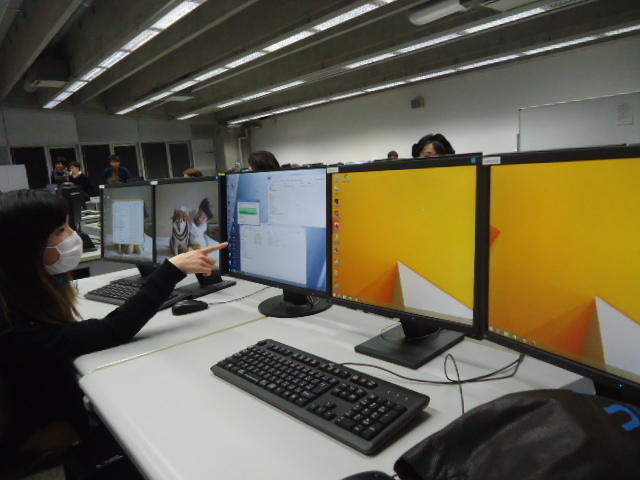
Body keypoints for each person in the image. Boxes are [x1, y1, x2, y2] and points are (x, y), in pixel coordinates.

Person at [0, 189, 227, 464]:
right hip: (30, 432)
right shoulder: (13, 327)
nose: (73, 235)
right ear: (27, 247)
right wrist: (171, 270)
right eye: (60, 230)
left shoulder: (19, 290)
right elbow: (114, 330)